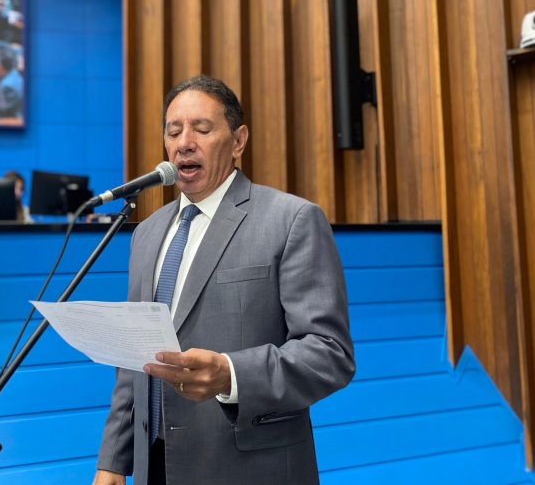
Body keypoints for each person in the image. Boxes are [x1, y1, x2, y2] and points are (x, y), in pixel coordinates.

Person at [94, 75, 355, 485]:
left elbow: (329, 353)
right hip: (154, 466)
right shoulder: (146, 233)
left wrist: (231, 374)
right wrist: (112, 459)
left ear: (238, 141)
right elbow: (135, 361)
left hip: (248, 468)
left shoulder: (291, 220)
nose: (184, 143)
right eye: (173, 131)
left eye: (201, 129)